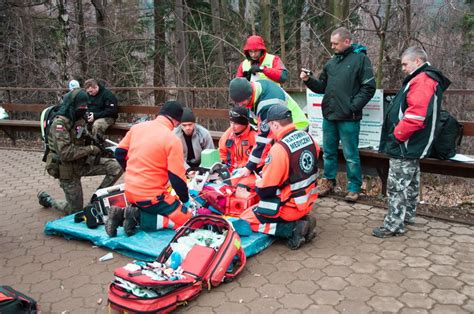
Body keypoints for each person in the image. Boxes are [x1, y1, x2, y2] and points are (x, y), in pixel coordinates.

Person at [373, 47, 451, 238]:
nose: (403, 68)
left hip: (406, 143)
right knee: (411, 181)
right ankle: (407, 216)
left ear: (417, 61)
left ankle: (394, 225)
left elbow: (415, 117)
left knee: (397, 185)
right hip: (412, 144)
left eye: (405, 64)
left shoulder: (422, 80)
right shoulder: (424, 78)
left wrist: (397, 136)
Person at [300, 27, 376, 202]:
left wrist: (353, 106)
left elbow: (369, 87)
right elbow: (321, 88)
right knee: (328, 153)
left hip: (349, 117)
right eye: (331, 43)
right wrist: (308, 80)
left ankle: (354, 187)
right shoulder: (331, 63)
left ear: (347, 41)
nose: (332, 46)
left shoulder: (361, 60)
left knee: (351, 155)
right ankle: (328, 182)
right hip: (329, 116)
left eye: (335, 43)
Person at [107, 101, 193, 237]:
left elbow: (119, 153)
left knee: (159, 207)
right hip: (152, 197)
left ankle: (128, 215)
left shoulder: (137, 128)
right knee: (187, 221)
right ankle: (135, 216)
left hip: (130, 191)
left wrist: (132, 171)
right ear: (176, 122)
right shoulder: (172, 139)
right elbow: (177, 179)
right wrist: (185, 200)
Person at [239, 105, 319, 250]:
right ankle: (303, 219)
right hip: (308, 200)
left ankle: (293, 229)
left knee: (245, 220)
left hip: (290, 206)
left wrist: (258, 182)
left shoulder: (280, 149)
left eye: (269, 126)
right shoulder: (309, 138)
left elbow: (265, 190)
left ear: (275, 124)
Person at [37, 89, 123, 215]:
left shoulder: (79, 120)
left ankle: (96, 199)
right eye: (82, 105)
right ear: (73, 104)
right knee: (74, 210)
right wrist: (91, 149)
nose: (85, 108)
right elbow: (65, 153)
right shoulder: (59, 124)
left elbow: (85, 138)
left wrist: (100, 148)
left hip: (83, 163)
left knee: (116, 166)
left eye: (86, 105)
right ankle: (49, 200)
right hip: (67, 169)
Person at [228, 77, 308, 178]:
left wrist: (249, 167)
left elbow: (264, 140)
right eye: (237, 102)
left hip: (296, 127)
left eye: (242, 101)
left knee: (287, 169)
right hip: (283, 128)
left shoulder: (267, 106)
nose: (240, 105)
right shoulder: (257, 87)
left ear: (250, 94)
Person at [218, 106, 257, 172]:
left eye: (236, 123)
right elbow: (222, 152)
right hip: (231, 171)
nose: (232, 126)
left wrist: (245, 168)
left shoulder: (254, 136)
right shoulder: (228, 134)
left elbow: (260, 158)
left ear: (244, 124)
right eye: (231, 122)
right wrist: (227, 167)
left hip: (249, 171)